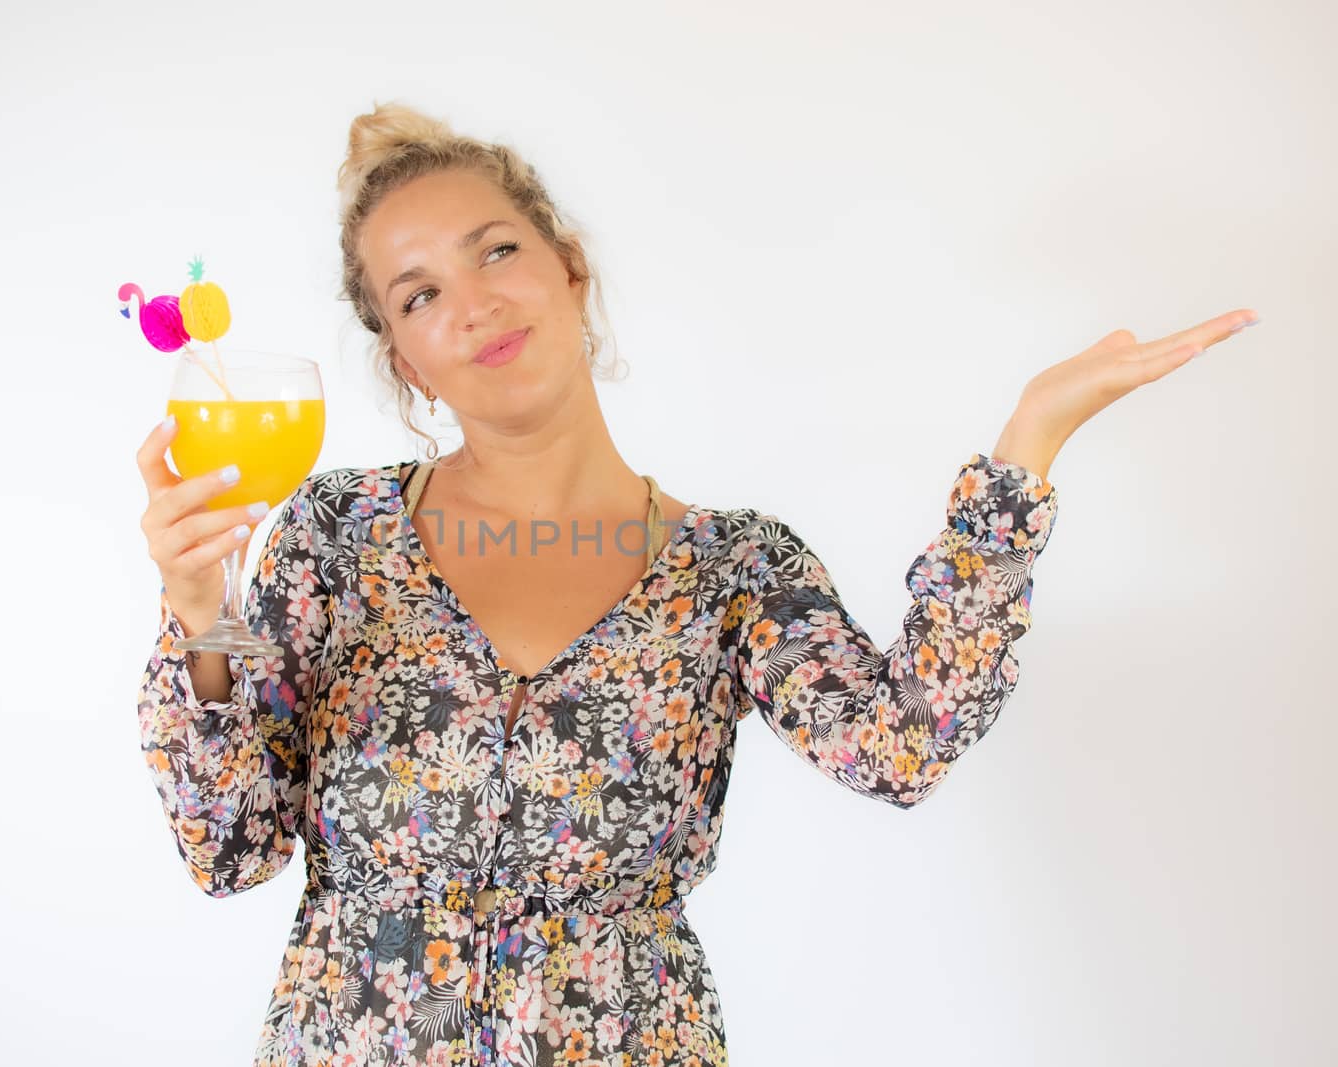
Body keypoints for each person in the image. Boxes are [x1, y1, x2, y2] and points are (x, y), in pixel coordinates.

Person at [133, 101, 1259, 1067]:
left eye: (495, 251)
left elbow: (901, 745)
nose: (469, 304)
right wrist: (200, 613)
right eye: (417, 294)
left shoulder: (734, 568)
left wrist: (1026, 445)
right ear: (400, 356)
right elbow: (229, 846)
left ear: (567, 265)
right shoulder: (337, 535)